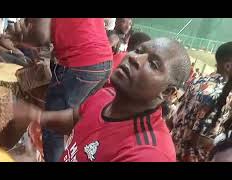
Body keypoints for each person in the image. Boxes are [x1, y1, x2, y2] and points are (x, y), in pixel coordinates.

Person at [14, 38, 191, 162]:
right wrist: (35, 114)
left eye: (153, 64)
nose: (135, 58)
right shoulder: (106, 95)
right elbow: (76, 118)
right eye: (138, 50)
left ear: (168, 92)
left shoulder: (149, 153)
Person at [25, 18, 112, 162]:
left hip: (81, 64)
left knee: (53, 127)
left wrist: (22, 37)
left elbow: (41, 35)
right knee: (76, 121)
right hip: (103, 61)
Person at [170, 42, 232, 162]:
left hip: (173, 148)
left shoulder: (198, 81)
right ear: (228, 65)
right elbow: (200, 140)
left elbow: (177, 116)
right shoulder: (222, 96)